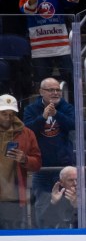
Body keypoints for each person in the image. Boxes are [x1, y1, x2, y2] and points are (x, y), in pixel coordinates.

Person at [19, 0, 78, 87]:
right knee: (43, 85)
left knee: (70, 80)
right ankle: (45, 107)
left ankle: (72, 105)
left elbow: (71, 0)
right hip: (40, 49)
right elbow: (29, 10)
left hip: (61, 47)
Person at [23, 77, 74, 209]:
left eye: (58, 90)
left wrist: (56, 114)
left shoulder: (66, 107)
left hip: (63, 166)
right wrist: (43, 117)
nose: (56, 93)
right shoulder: (31, 109)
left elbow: (73, 125)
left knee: (65, 204)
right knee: (42, 205)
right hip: (41, 167)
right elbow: (27, 131)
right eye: (51, 90)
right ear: (41, 92)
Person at [0, 93, 41, 229]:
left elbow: (37, 163)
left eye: (11, 114)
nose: (8, 117)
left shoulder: (27, 133)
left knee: (13, 238)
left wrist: (25, 159)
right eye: (4, 113)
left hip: (14, 198)